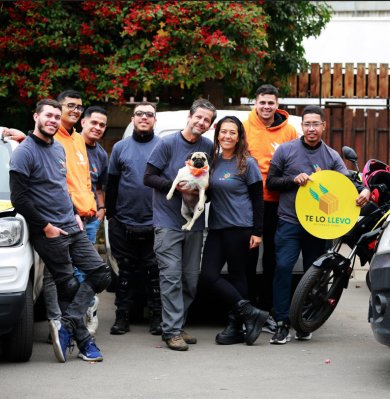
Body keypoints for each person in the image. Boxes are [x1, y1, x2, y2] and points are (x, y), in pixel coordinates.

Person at [9, 99, 111, 362]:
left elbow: (60, 187)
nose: (53, 120)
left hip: (72, 224)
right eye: (49, 116)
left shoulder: (58, 148)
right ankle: (86, 343)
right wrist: (46, 227)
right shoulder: (24, 152)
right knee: (67, 285)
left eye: (57, 116)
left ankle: (65, 324)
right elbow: (19, 199)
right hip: (49, 232)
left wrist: (76, 214)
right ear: (36, 117)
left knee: (101, 275)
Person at [266, 105, 370, 344]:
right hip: (289, 222)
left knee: (316, 275)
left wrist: (363, 190)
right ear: (301, 126)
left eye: (316, 124)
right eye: (307, 124)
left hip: (319, 225)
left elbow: (347, 185)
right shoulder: (286, 150)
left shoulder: (332, 156)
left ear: (323, 126)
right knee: (282, 269)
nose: (311, 129)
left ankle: (305, 321)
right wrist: (293, 179)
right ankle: (281, 323)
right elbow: (271, 182)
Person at [144, 99, 216, 351]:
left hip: (194, 224)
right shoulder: (167, 143)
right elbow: (148, 177)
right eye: (199, 117)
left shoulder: (208, 147)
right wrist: (177, 189)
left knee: (190, 279)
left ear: (210, 125)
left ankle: (177, 323)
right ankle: (172, 331)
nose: (201, 122)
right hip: (167, 223)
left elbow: (210, 183)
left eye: (207, 120)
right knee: (171, 276)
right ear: (190, 116)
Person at [199, 116, 268, 346]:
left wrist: (258, 232)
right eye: (223, 132)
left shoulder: (247, 163)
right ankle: (250, 312)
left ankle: (235, 325)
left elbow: (258, 199)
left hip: (241, 227)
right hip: (217, 226)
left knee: (239, 276)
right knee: (208, 275)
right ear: (217, 134)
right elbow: (210, 194)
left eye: (232, 132)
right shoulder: (214, 162)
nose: (227, 136)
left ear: (239, 137)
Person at [243, 84, 298, 334]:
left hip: (279, 203)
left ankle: (268, 309)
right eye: (262, 102)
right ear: (255, 103)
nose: (266, 107)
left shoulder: (289, 131)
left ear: (277, 104)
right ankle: (248, 308)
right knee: (249, 257)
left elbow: (297, 162)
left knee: (273, 258)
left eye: (271, 103)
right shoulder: (244, 127)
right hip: (250, 202)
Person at [105, 102, 162, 336]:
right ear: (132, 119)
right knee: (125, 272)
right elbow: (112, 184)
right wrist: (111, 216)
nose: (144, 118)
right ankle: (122, 317)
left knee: (154, 272)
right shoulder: (120, 147)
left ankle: (158, 317)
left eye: (149, 115)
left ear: (154, 120)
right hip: (124, 221)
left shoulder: (163, 146)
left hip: (156, 221)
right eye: (140, 114)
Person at [80, 105, 109, 334]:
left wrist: (101, 209)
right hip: (67, 218)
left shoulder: (101, 153)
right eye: (94, 123)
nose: (98, 128)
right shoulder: (69, 145)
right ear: (83, 122)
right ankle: (76, 312)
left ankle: (83, 312)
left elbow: (99, 186)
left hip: (90, 219)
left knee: (84, 268)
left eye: (102, 125)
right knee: (68, 270)